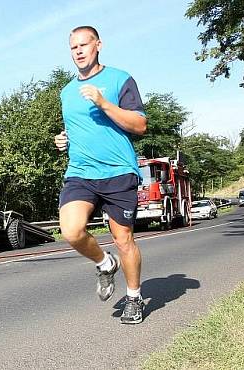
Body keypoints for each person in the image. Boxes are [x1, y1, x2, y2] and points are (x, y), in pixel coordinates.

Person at [54, 26, 147, 324]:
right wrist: (64, 138)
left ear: (99, 45)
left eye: (84, 44)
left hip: (118, 172)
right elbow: (81, 128)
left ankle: (134, 298)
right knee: (71, 230)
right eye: (73, 47)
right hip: (80, 172)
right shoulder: (66, 92)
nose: (79, 51)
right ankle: (105, 264)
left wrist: (104, 103)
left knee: (124, 240)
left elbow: (139, 125)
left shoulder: (120, 79)